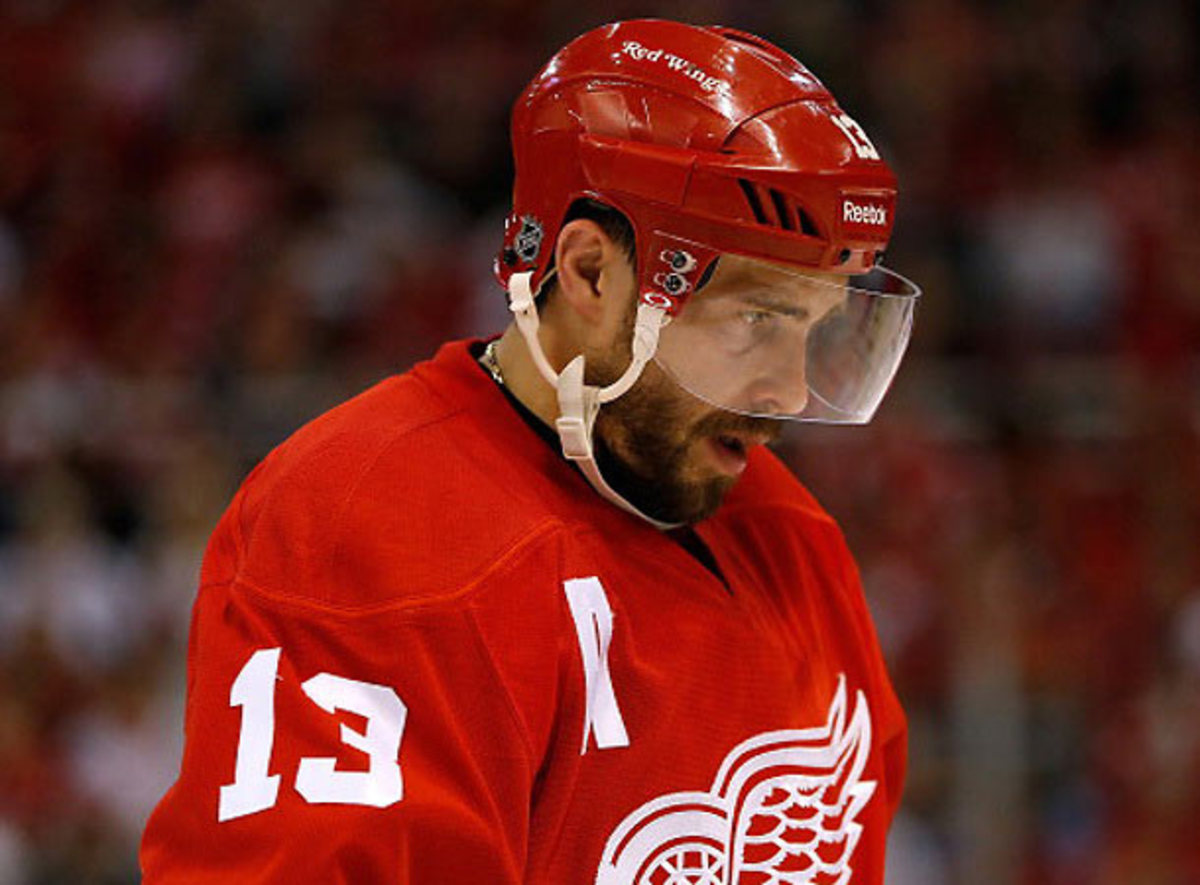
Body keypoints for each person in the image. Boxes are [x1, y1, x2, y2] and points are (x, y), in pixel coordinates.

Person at [141, 18, 920, 884]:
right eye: (758, 319)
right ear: (590, 272)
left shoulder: (787, 537)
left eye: (815, 325)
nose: (788, 393)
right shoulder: (370, 521)